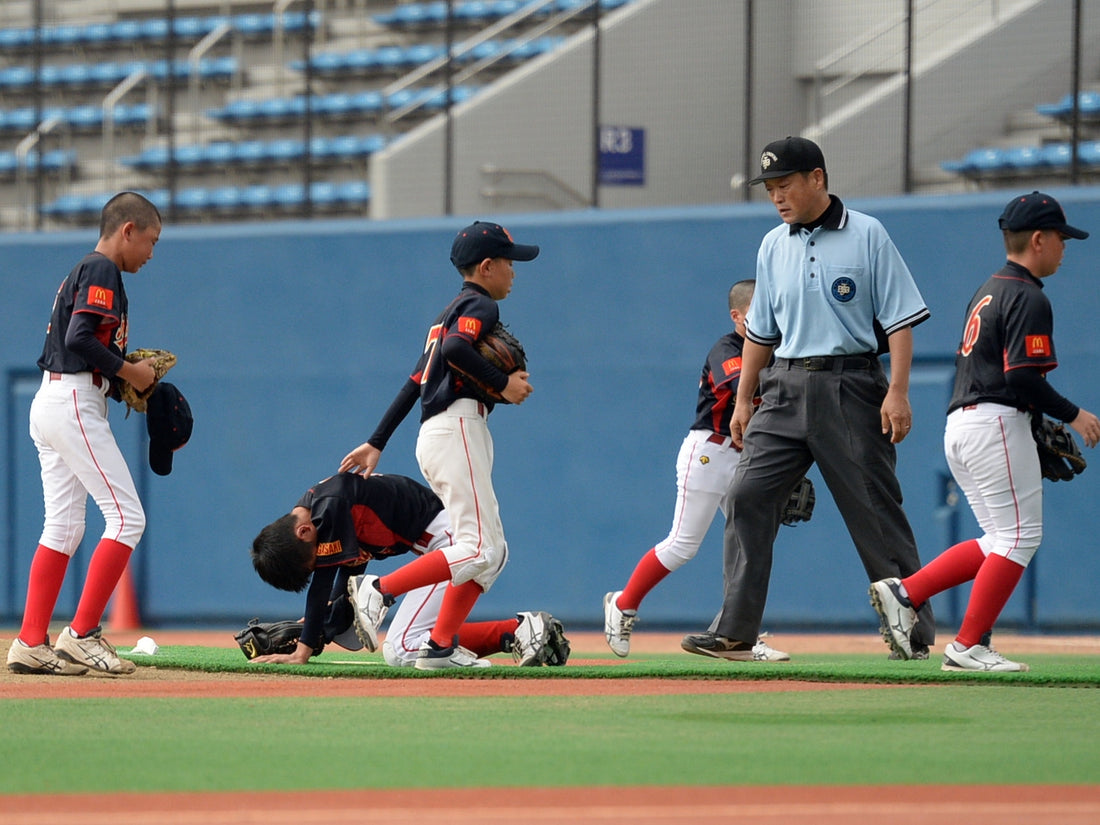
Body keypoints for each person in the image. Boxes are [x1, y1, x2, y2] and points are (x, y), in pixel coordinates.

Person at [681, 136, 936, 661]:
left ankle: (911, 630)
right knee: (746, 494)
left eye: (785, 184)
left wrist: (899, 391)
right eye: (770, 188)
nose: (777, 196)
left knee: (875, 510)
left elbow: (901, 320)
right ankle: (735, 631)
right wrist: (744, 399)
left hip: (851, 385)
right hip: (783, 385)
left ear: (817, 178)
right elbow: (759, 333)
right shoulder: (773, 244)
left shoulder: (868, 233)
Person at [870, 191, 1100, 672]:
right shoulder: (1029, 295)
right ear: (1038, 239)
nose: (1065, 246)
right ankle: (968, 645)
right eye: (1061, 237)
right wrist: (1073, 415)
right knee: (1020, 538)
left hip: (963, 423)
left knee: (1000, 538)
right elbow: (1020, 376)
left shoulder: (991, 288)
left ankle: (907, 592)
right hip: (995, 419)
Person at [339, 221, 538, 670]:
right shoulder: (480, 304)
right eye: (509, 262)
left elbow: (417, 379)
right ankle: (380, 590)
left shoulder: (448, 311)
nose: (514, 271)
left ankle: (439, 645)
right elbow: (454, 350)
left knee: (492, 551)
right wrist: (502, 381)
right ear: (486, 266)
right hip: (457, 428)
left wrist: (377, 441)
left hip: (443, 432)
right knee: (477, 548)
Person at [6, 192, 162, 677]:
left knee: (64, 527)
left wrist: (118, 381)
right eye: (151, 241)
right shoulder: (100, 269)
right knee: (127, 519)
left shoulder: (90, 270)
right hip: (73, 400)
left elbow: (80, 342)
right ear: (128, 230)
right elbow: (78, 338)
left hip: (57, 399)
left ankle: (31, 641)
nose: (151, 253)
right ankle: (82, 634)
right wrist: (131, 374)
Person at [602, 280, 788, 662]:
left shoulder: (777, 349)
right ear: (737, 316)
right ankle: (623, 604)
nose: (766, 316)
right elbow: (740, 383)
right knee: (683, 544)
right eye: (756, 309)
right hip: (709, 452)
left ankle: (739, 636)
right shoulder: (728, 348)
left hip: (745, 455)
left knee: (751, 547)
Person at [250, 471, 568, 667]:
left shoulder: (328, 506)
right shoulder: (320, 512)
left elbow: (322, 582)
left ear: (303, 533)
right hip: (449, 545)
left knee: (402, 648)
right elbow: (344, 573)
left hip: (457, 547)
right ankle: (520, 632)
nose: (320, 562)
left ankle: (515, 632)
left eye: (315, 558)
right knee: (410, 643)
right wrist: (326, 619)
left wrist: (303, 648)